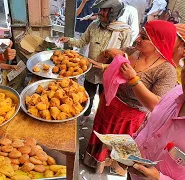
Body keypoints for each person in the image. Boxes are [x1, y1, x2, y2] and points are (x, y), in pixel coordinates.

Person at [85, 20, 177, 174]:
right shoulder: (132, 51)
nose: (137, 39)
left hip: (131, 117)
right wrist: (107, 53)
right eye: (140, 33)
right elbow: (102, 62)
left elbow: (156, 105)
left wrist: (133, 79)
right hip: (109, 104)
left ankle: (117, 167)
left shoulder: (167, 71)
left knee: (120, 145)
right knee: (102, 134)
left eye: (144, 37)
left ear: (158, 42)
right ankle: (95, 161)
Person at [59, 0, 131, 123]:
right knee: (88, 95)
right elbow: (82, 42)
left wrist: (104, 66)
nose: (100, 13)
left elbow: (124, 57)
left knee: (105, 99)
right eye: (100, 10)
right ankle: (86, 114)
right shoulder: (94, 25)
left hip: (109, 73)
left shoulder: (124, 31)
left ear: (114, 12)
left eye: (104, 10)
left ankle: (101, 119)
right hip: (91, 70)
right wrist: (68, 40)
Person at [128, 28, 185, 179]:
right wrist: (131, 148)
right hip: (134, 171)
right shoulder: (175, 93)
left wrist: (159, 178)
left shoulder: (166, 71)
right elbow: (150, 123)